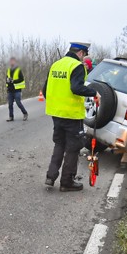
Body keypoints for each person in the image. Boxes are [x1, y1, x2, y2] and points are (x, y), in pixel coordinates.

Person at [42, 41, 98, 192]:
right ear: (81, 53)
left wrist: (55, 104)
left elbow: (45, 89)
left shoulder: (56, 64)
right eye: (84, 55)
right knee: (73, 148)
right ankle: (67, 182)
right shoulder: (77, 66)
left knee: (59, 144)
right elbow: (76, 88)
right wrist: (94, 93)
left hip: (56, 113)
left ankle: (50, 176)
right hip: (71, 115)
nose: (83, 58)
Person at [6, 57, 28, 121]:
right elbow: (7, 79)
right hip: (10, 89)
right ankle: (11, 117)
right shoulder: (8, 69)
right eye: (11, 61)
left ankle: (25, 113)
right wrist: (8, 83)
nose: (12, 62)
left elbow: (21, 79)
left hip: (17, 90)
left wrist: (13, 81)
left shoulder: (18, 70)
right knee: (10, 104)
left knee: (18, 103)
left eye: (13, 61)